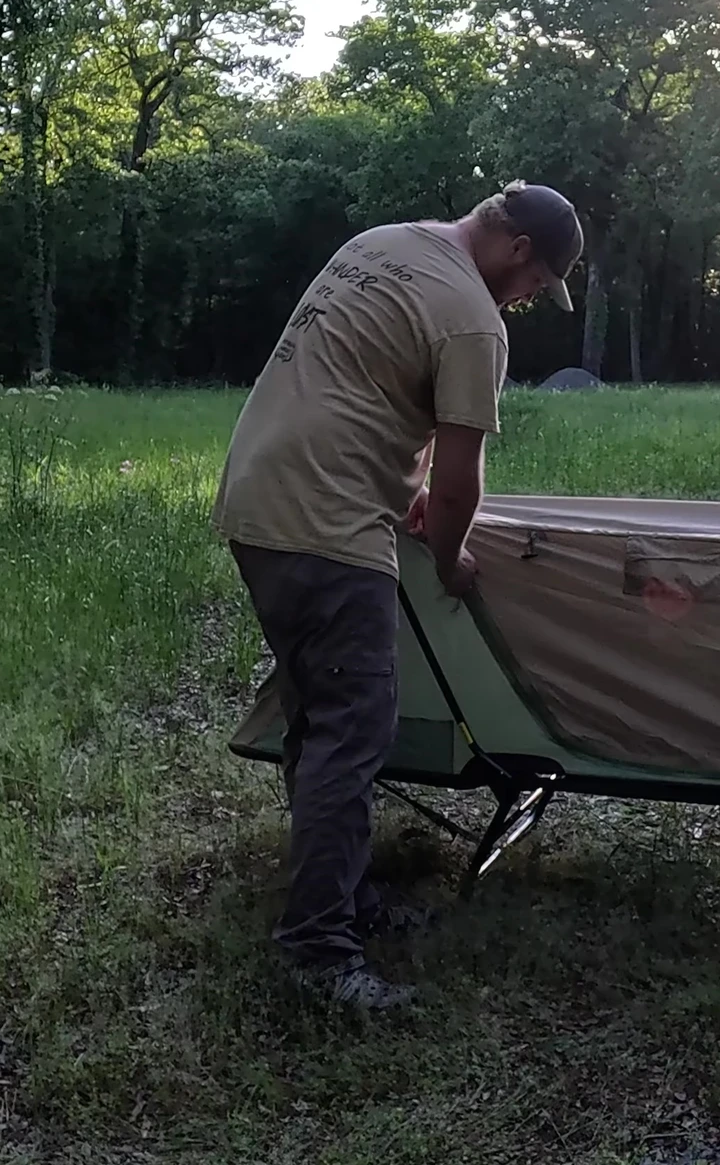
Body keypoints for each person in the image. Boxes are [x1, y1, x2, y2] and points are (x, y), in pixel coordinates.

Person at [211, 180, 581, 1009]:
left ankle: (345, 896)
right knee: (354, 729)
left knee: (320, 715)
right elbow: (459, 482)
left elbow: (361, 380)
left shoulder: (380, 243)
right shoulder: (473, 318)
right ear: (519, 249)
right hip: (326, 522)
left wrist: (407, 480)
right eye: (535, 284)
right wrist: (449, 557)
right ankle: (319, 951)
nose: (526, 300)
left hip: (257, 500)